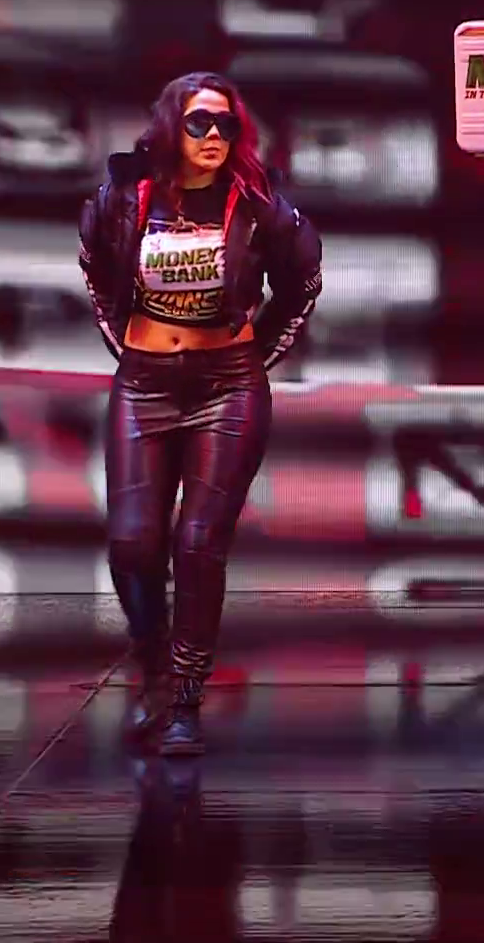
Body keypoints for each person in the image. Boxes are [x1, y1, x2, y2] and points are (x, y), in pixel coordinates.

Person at [79, 71, 322, 755]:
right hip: (144, 385)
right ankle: (152, 665)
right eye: (199, 123)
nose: (214, 135)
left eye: (225, 124)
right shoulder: (127, 195)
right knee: (132, 543)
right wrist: (127, 345)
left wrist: (254, 355)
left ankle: (186, 697)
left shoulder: (257, 200)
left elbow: (303, 278)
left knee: (197, 542)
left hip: (227, 387)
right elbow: (95, 264)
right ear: (171, 127)